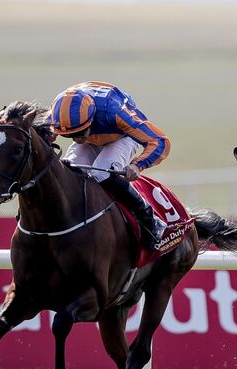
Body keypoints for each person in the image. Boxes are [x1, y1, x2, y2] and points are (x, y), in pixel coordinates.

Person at [48, 81, 168, 249]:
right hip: (93, 133)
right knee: (72, 172)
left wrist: (137, 165)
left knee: (101, 172)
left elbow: (160, 141)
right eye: (70, 136)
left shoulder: (114, 112)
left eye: (79, 133)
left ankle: (149, 218)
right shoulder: (58, 115)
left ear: (91, 118)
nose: (76, 139)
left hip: (122, 137)